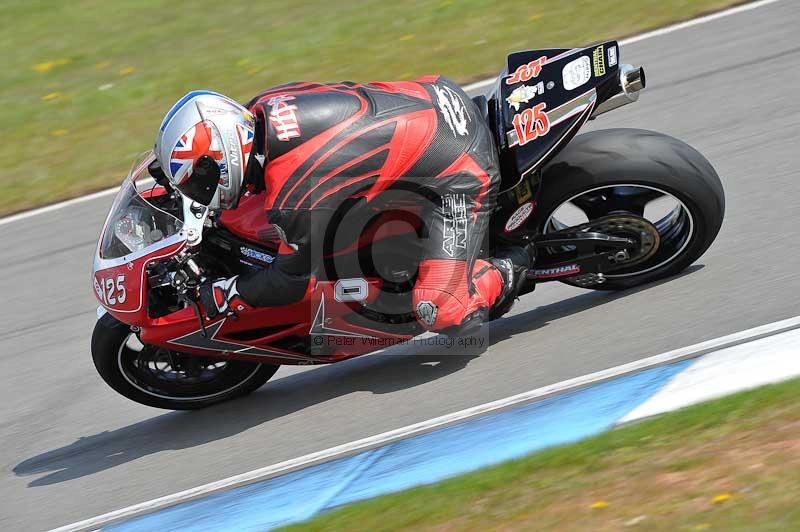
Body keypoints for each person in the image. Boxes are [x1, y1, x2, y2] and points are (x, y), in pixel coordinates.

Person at [153, 80, 533, 336]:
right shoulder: (265, 106)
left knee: (441, 310)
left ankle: (510, 265)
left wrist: (229, 291)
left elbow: (291, 281)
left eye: (199, 179)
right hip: (438, 95)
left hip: (459, 168)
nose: (199, 190)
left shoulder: (294, 192)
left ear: (228, 154)